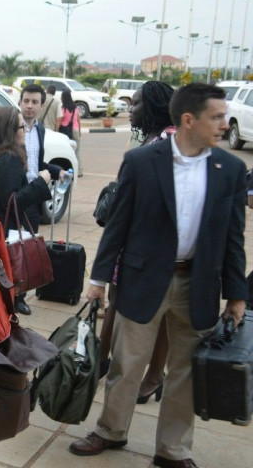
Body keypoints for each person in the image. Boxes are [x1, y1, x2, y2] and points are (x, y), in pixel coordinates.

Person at [70, 83, 247, 468]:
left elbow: (233, 237)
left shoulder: (230, 170)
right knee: (127, 363)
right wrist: (98, 280)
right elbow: (118, 225)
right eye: (215, 116)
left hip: (197, 284)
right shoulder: (142, 162)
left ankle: (173, 450)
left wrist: (237, 294)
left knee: (184, 370)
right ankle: (110, 430)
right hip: (143, 278)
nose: (223, 124)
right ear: (189, 120)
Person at [98, 81, 175, 403]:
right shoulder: (153, 138)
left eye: (137, 103)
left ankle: (153, 375)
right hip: (136, 246)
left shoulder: (169, 141)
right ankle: (101, 364)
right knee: (118, 305)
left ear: (154, 106)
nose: (131, 110)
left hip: (154, 251)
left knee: (156, 317)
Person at [16, 83, 66, 315]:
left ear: (41, 106)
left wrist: (58, 171)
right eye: (26, 101)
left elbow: (38, 164)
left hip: (34, 197)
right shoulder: (11, 128)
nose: (29, 106)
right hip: (15, 195)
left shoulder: (40, 131)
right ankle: (7, 293)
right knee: (10, 246)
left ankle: (20, 297)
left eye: (35, 102)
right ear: (20, 102)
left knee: (27, 248)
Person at [0, 106, 52, 232]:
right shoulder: (8, 158)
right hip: (2, 231)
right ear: (9, 131)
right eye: (21, 127)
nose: (25, 131)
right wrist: (41, 181)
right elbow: (12, 201)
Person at [59, 90, 83, 177]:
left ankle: (69, 169)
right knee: (77, 151)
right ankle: (79, 171)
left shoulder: (63, 108)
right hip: (75, 130)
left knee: (68, 151)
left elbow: (60, 120)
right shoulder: (75, 108)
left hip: (65, 132)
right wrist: (79, 131)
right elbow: (78, 120)